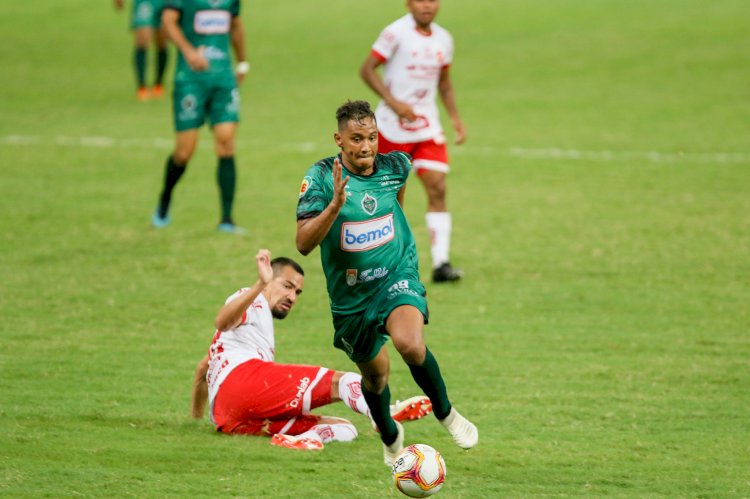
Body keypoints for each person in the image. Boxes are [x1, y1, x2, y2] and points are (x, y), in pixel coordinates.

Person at [295, 100, 477, 465]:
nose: (366, 147)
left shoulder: (396, 165)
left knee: (409, 344)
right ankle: (390, 434)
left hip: (396, 275)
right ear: (339, 140)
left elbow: (396, 204)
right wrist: (333, 207)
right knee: (376, 378)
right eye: (357, 138)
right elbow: (302, 243)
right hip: (351, 299)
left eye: (373, 137)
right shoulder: (319, 179)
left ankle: (446, 412)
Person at [191, 248, 433, 451]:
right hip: (244, 383)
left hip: (230, 418)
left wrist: (196, 419)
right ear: (268, 279)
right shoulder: (253, 298)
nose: (292, 297)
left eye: (296, 292)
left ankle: (308, 439)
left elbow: (203, 369)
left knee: (345, 428)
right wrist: (259, 284)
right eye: (286, 286)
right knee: (348, 381)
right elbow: (223, 321)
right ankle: (382, 413)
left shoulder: (236, 338)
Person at [360, 0, 466, 282]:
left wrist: (454, 118)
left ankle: (441, 263)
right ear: (408, 4)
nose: (427, 6)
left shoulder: (444, 38)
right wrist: (394, 104)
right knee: (393, 196)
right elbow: (367, 70)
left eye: (432, 0)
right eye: (420, 0)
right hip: (392, 127)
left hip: (426, 125)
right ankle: (387, 263)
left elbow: (444, 83)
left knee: (438, 187)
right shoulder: (395, 33)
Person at [151, 0, 249, 234]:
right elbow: (167, 20)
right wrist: (187, 51)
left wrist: (242, 62)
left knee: (226, 143)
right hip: (190, 80)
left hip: (223, 78)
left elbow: (235, 24)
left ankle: (227, 219)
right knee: (184, 151)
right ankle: (164, 200)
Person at [113, 0, 169, 101]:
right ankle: (142, 86)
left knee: (162, 41)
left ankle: (158, 83)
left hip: (165, 2)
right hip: (144, 2)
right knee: (142, 39)